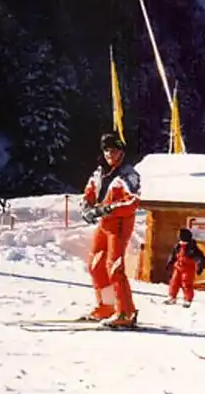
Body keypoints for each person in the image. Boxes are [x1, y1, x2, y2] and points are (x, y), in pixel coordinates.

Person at [79, 133, 141, 328]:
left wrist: (106, 208)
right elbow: (89, 192)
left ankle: (126, 311)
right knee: (95, 265)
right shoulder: (100, 172)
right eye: (106, 150)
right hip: (104, 223)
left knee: (114, 267)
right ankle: (107, 306)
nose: (109, 154)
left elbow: (132, 201)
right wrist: (87, 207)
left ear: (121, 151)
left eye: (113, 150)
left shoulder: (128, 174)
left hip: (120, 223)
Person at [164, 228, 205, 307]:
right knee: (174, 282)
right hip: (178, 267)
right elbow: (172, 255)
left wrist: (200, 266)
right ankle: (172, 297)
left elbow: (200, 257)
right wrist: (169, 263)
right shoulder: (177, 246)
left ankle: (188, 299)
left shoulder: (192, 247)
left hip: (188, 268)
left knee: (186, 284)